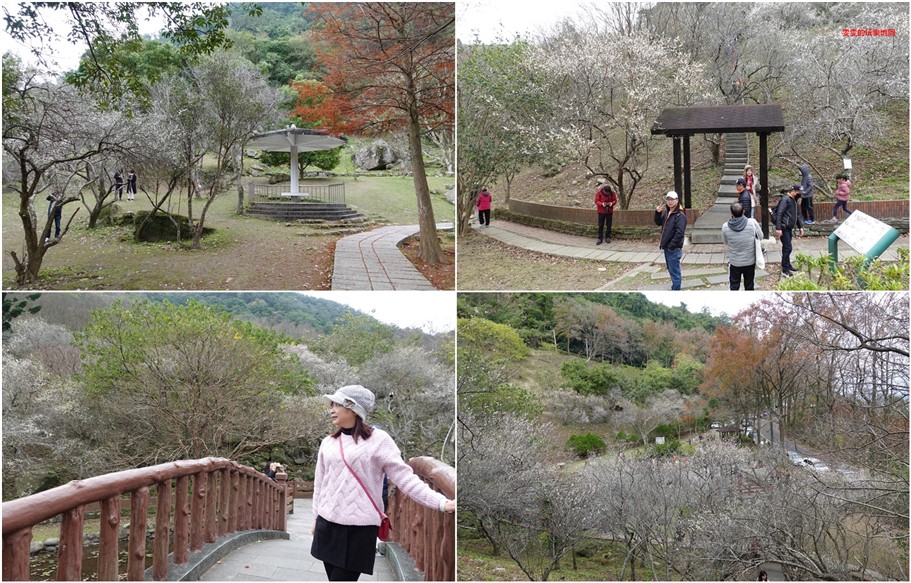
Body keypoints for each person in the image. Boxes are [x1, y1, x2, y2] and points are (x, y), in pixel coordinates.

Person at [311, 385, 455, 581]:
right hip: (327, 524)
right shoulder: (328, 442)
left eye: (337, 405)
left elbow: (405, 477)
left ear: (353, 408)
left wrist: (440, 502)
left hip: (359, 528)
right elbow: (320, 483)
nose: (332, 410)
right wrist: (315, 518)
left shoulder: (379, 440)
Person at [721, 202, 762, 290]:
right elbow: (761, 236)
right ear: (743, 212)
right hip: (750, 261)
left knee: (734, 286)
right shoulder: (752, 223)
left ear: (731, 213)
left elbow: (725, 242)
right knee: (749, 285)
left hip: (735, 262)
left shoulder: (725, 227)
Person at [654, 191, 687, 291]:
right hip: (667, 247)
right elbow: (658, 223)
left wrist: (671, 245)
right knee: (672, 270)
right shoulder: (668, 212)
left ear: (677, 200)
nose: (670, 201)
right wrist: (658, 213)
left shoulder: (680, 215)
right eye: (668, 199)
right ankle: (675, 288)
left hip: (673, 248)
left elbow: (680, 233)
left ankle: (676, 290)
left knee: (675, 272)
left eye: (672, 199)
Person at [774, 185, 805, 278]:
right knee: (788, 248)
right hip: (784, 227)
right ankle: (785, 269)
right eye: (799, 192)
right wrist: (778, 228)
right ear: (794, 191)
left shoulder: (793, 200)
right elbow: (779, 213)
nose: (800, 194)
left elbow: (797, 215)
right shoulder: (785, 200)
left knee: (787, 248)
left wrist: (801, 227)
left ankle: (787, 265)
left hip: (789, 228)